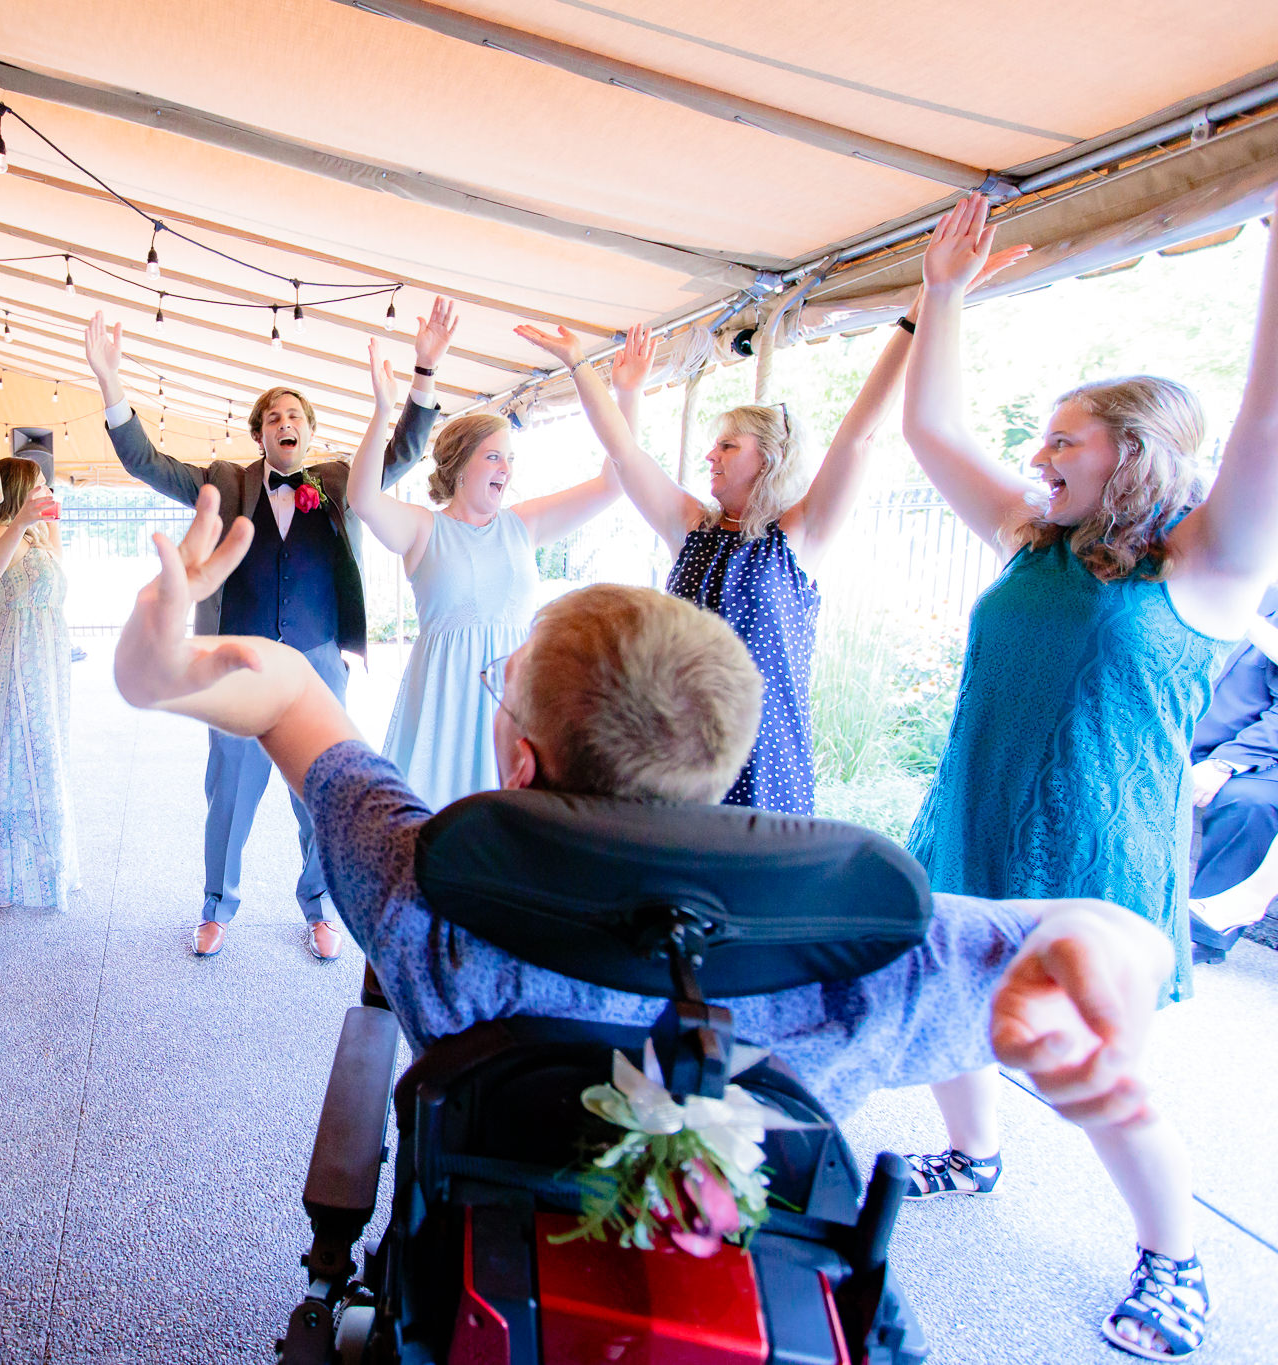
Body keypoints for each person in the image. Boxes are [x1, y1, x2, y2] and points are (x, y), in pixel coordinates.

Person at [110, 486, 1184, 1352]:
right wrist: (1107, 952)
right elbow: (1093, 936)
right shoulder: (866, 962)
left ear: (519, 759)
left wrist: (159, 659)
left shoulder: (417, 890)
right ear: (716, 770)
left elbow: (280, 686)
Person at [893, 193, 1278, 1360]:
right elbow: (924, 431)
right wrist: (941, 295)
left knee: (1091, 1070)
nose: (1036, 456)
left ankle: (1172, 1259)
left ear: (1134, 451)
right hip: (970, 815)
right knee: (950, 1002)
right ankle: (969, 1151)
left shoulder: (1207, 561)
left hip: (1101, 857)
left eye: (1064, 439)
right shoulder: (1030, 536)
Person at [513, 246, 1025, 814]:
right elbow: (623, 450)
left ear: (770, 458)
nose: (710, 456)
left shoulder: (799, 535)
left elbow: (858, 434)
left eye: (728, 445)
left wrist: (921, 309)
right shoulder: (692, 529)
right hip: (673, 759)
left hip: (767, 762)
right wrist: (580, 366)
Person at [84, 299, 454, 960]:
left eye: (296, 415)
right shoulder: (227, 481)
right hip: (237, 658)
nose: (286, 422)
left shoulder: (341, 480)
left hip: (318, 661)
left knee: (324, 791)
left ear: (310, 431)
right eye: (274, 416)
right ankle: (216, 906)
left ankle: (317, 906)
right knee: (229, 792)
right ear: (260, 435)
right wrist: (111, 382)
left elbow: (402, 449)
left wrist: (424, 370)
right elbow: (146, 461)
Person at [346, 335, 618, 808]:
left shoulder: (523, 525)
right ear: (459, 465)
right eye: (494, 456)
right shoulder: (422, 529)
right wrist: (381, 409)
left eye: (510, 459)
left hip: (516, 698)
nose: (505, 469)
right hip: (444, 704)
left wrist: (608, 382)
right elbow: (362, 498)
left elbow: (613, 483)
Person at [0, 455, 78, 909]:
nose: (46, 492)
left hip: (47, 651)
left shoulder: (36, 534)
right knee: (13, 751)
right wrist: (23, 521)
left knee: (47, 749)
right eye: (39, 486)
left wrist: (53, 525)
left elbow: (58, 572)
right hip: (16, 654)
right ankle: (3, 873)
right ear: (18, 491)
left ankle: (46, 865)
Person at [1185, 585, 1278, 961]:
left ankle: (1203, 934)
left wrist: (1226, 763)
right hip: (1170, 731)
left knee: (1249, 802)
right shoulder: (1202, 586)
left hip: (1250, 752)